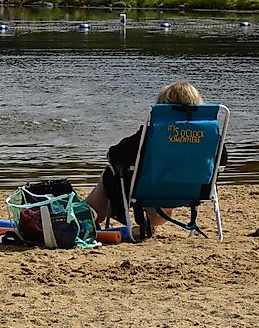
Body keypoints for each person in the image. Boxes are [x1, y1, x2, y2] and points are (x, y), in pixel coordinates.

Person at [85, 81, 228, 236]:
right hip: (193, 192)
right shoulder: (210, 136)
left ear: (163, 106)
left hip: (149, 192)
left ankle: (88, 218)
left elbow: (114, 155)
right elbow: (222, 161)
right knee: (168, 179)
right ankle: (149, 225)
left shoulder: (152, 134)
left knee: (111, 173)